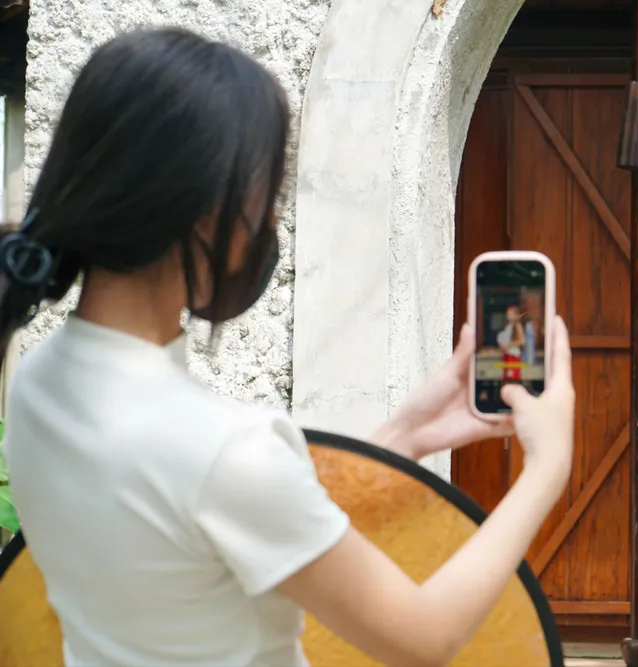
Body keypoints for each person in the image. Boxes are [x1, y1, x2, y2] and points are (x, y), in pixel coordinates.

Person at [0, 27, 576, 667]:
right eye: (269, 197)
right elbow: (424, 637)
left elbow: (217, 532)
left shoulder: (39, 381)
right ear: (205, 211)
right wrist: (548, 466)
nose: (272, 225)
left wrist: (403, 436)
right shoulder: (224, 450)